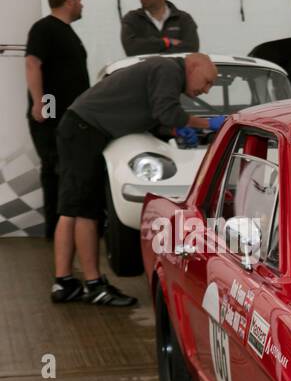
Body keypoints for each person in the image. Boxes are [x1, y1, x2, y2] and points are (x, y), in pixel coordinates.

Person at [52, 54, 223, 308]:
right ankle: (94, 285)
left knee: (71, 209)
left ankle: (64, 282)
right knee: (85, 211)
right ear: (193, 66)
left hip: (79, 128)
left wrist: (175, 129)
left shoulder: (162, 70)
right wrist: (210, 123)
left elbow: (153, 114)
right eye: (207, 82)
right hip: (85, 131)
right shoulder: (169, 70)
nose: (206, 90)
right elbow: (167, 112)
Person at [24, 0, 89, 240]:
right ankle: (55, 231)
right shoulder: (44, 28)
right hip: (51, 112)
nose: (82, 3)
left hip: (68, 116)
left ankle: (65, 227)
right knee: (54, 168)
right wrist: (40, 103)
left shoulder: (66, 31)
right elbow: (32, 62)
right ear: (68, 0)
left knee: (64, 169)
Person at [120, 0, 199, 56]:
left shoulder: (183, 19)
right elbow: (132, 48)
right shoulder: (132, 19)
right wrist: (167, 42)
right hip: (144, 70)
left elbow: (191, 49)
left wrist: (153, 52)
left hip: (177, 69)